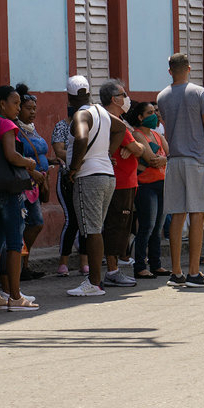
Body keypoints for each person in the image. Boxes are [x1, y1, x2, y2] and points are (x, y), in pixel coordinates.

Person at [156, 53, 204, 288]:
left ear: (170, 71)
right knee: (198, 215)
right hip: (197, 160)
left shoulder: (162, 96)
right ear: (189, 68)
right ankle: (194, 271)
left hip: (174, 161)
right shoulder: (200, 93)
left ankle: (176, 272)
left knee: (177, 215)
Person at [0, 85, 43, 311]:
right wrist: (29, 162)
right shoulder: (7, 124)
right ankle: (15, 297)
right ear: (2, 104)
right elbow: (11, 155)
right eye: (15, 103)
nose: (18, 108)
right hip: (9, 190)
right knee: (15, 242)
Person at [65, 77, 127, 296]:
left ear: (70, 97)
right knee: (96, 229)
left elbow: (81, 138)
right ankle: (95, 280)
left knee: (91, 231)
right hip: (107, 176)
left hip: (89, 176)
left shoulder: (81, 114)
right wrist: (107, 153)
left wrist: (73, 168)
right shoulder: (101, 112)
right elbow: (121, 129)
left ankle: (94, 282)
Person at [101, 84, 158, 288]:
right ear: (114, 99)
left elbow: (137, 147)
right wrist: (133, 147)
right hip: (120, 181)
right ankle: (112, 271)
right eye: (123, 95)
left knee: (121, 226)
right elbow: (138, 148)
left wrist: (135, 147)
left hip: (125, 180)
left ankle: (115, 268)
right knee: (116, 227)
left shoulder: (121, 122)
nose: (127, 98)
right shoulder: (115, 122)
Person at [53, 77, 89, 277]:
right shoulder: (61, 125)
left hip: (84, 175)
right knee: (72, 219)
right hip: (67, 177)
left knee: (84, 220)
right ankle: (63, 262)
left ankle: (84, 262)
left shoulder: (88, 120)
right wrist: (78, 152)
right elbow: (59, 150)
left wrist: (74, 151)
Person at [15, 84, 50, 281]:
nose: (33, 112)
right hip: (23, 184)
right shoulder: (16, 129)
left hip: (36, 185)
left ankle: (24, 265)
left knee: (35, 223)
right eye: (29, 108)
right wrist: (32, 170)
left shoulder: (32, 130)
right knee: (28, 224)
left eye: (35, 108)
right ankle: (18, 266)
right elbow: (14, 155)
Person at [132, 101, 170, 280]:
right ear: (140, 117)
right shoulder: (137, 135)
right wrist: (163, 159)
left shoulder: (156, 134)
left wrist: (162, 159)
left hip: (162, 183)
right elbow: (151, 158)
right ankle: (140, 265)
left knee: (158, 227)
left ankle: (156, 264)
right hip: (145, 185)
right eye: (149, 113)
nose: (154, 115)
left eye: (155, 111)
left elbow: (169, 153)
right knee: (147, 226)